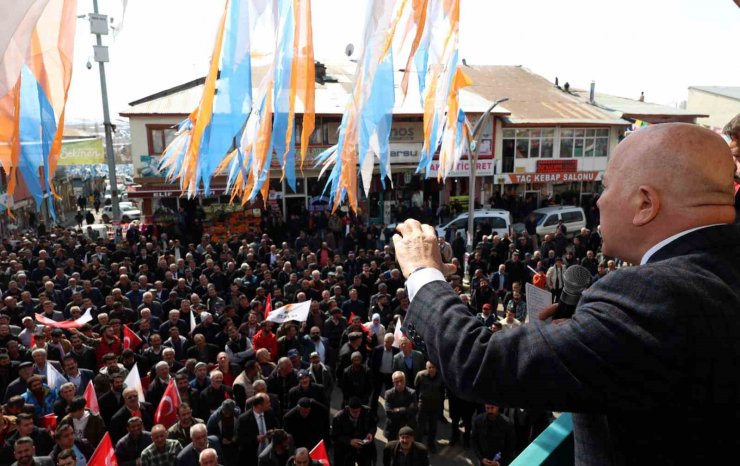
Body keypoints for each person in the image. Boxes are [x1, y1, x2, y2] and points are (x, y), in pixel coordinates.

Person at [391, 123, 740, 464]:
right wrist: (584, 332)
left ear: (645, 204)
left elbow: (477, 361)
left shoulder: (652, 296)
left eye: (605, 187)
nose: (599, 201)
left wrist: (422, 271)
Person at [331, 397, 376, 466]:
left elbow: (373, 425)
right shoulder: (338, 418)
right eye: (354, 412)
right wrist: (349, 441)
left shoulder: (367, 412)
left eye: (359, 411)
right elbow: (335, 436)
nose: (357, 414)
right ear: (349, 409)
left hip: (364, 449)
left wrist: (371, 433)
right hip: (346, 451)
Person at [383, 371, 417, 441]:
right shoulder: (388, 394)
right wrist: (405, 409)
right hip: (392, 427)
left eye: (401, 380)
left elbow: (414, 411)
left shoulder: (412, 393)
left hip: (407, 426)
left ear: (405, 380)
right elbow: (388, 412)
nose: (399, 383)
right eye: (396, 381)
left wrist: (397, 410)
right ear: (393, 382)